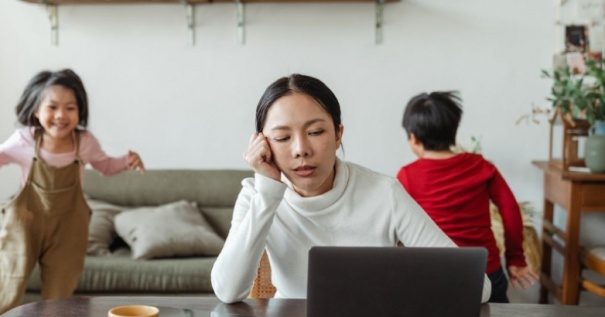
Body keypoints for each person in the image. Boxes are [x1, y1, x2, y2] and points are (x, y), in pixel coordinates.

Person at [211, 74, 491, 304]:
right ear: (263, 144)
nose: (301, 150)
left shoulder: (384, 193)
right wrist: (268, 193)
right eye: (283, 137)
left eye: (316, 132)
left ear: (338, 135)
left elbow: (478, 287)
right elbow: (227, 291)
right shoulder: (256, 195)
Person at [0, 69, 145, 317]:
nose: (60, 115)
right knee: (2, 300)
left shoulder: (84, 143)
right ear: (35, 110)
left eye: (70, 108)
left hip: (67, 230)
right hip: (23, 226)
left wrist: (126, 161)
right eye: (52, 107)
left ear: (80, 112)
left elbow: (106, 166)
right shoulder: (24, 140)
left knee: (58, 307)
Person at [396, 91, 538, 303]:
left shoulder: (407, 176)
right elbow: (510, 210)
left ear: (414, 139)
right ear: (454, 131)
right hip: (486, 273)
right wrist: (515, 258)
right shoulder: (482, 166)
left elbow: (398, 226)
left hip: (435, 277)